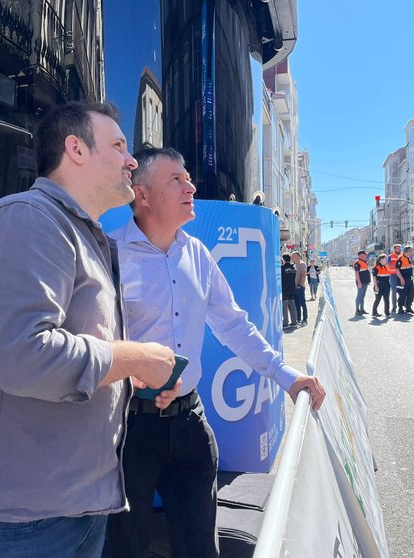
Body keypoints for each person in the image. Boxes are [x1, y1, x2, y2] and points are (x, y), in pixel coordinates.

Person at [0, 102, 178, 557]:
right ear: (76, 149)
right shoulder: (29, 218)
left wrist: (127, 374)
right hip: (16, 520)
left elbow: (73, 353)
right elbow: (25, 356)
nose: (131, 161)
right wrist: (133, 357)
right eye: (119, 145)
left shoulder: (79, 233)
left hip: (66, 506)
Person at [106, 147, 326, 558]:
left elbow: (234, 326)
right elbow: (90, 340)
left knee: (200, 548)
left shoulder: (198, 255)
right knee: (124, 547)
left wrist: (286, 376)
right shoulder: (107, 253)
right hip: (127, 432)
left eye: (187, 177)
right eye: (176, 180)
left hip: (190, 425)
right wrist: (133, 371)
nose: (190, 186)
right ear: (143, 195)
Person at [395, 245, 414, 315]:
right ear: (408, 251)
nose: (412, 252)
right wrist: (401, 279)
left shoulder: (407, 258)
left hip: (409, 278)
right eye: (411, 251)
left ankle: (408, 308)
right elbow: (397, 270)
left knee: (411, 293)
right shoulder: (400, 258)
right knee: (402, 294)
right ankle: (400, 308)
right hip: (403, 279)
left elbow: (410, 265)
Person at [281, 253, 299, 328]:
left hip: (284, 289)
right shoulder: (293, 267)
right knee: (292, 304)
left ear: (284, 259)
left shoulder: (282, 268)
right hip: (292, 288)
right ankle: (294, 321)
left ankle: (285, 323)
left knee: (285, 306)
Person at [371, 254, 391, 318]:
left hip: (387, 285)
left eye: (386, 259)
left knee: (387, 300)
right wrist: (376, 286)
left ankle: (387, 313)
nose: (386, 260)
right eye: (385, 259)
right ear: (380, 260)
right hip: (379, 285)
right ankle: (374, 312)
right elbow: (374, 278)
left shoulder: (387, 266)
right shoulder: (376, 268)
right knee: (377, 299)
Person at [292, 251, 309, 325]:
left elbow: (303, 275)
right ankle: (298, 319)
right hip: (294, 287)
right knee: (297, 304)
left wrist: (299, 284)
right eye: (292, 256)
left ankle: (305, 319)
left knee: (302, 303)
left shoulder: (302, 264)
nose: (292, 258)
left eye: (293, 256)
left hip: (300, 287)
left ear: (298, 256)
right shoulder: (294, 265)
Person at [353, 250, 371, 315]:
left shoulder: (364, 261)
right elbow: (357, 274)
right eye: (365, 254)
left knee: (363, 296)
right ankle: (357, 310)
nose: (366, 255)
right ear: (361, 255)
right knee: (359, 296)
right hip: (361, 282)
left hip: (365, 282)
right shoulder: (357, 263)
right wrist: (359, 282)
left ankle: (362, 309)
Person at [388, 244, 402, 311]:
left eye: (399, 248)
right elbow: (388, 265)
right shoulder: (390, 257)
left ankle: (402, 305)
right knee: (394, 291)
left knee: (402, 291)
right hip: (393, 275)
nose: (398, 250)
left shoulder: (402, 256)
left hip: (401, 275)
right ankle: (394, 306)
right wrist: (397, 265)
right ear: (394, 249)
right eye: (397, 248)